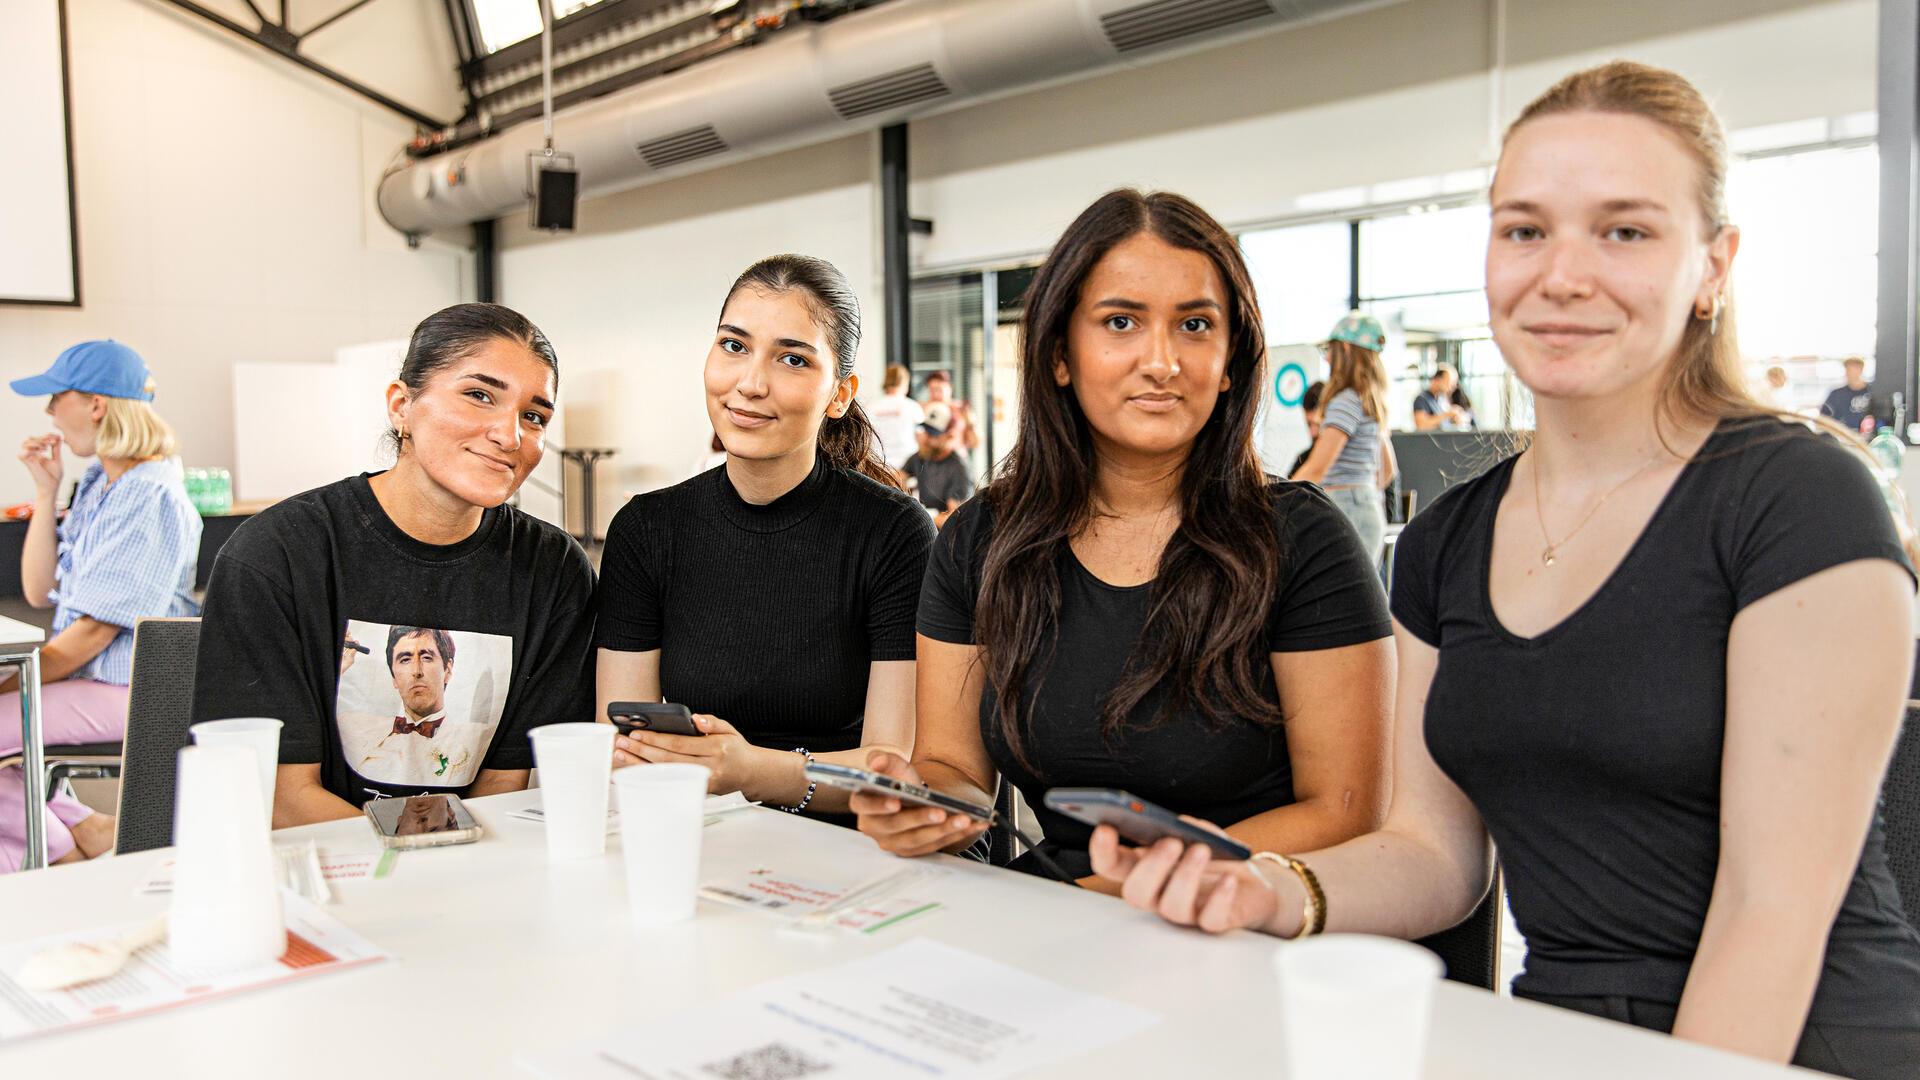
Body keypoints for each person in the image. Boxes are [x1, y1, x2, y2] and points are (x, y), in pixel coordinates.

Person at [1091, 62, 1920, 1078]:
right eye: (1525, 230)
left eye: (1624, 231)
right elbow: (1437, 857)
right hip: (1555, 1034)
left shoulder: (1797, 497)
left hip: (1794, 1042)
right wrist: (1271, 888)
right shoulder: (1448, 539)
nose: (1561, 274)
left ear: (1713, 264)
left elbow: (1772, 914)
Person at [849, 190, 1394, 886]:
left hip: (1242, 922)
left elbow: (1345, 811)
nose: (1162, 360)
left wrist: (1132, 886)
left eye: (1195, 324)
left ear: (1231, 360)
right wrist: (920, 809)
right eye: (1121, 321)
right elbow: (955, 772)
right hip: (1057, 921)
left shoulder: (1302, 541)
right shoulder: (982, 540)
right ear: (1059, 355)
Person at [192, 303, 597, 823]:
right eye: (479, 396)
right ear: (401, 405)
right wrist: (411, 876)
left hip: (471, 871)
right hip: (316, 873)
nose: (510, 435)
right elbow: (279, 797)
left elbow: (503, 785)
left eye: (534, 416)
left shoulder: (555, 571)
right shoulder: (276, 554)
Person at [595, 255, 934, 818]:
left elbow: (890, 766)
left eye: (793, 359)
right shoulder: (646, 530)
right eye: (733, 346)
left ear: (840, 394)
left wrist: (751, 770)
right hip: (700, 832)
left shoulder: (894, 534)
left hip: (847, 843)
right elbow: (621, 738)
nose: (750, 384)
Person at [0, 341, 199, 872]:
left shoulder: (148, 495)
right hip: (94, 682)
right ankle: (85, 830)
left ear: (94, 404)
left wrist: (9, 681)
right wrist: (46, 493)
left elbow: (91, 635)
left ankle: (58, 857)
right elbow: (40, 592)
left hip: (132, 687)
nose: (47, 411)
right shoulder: (102, 483)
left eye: (55, 397)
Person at [1292, 312, 1398, 558]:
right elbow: (1388, 469)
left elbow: (1317, 468)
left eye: (1332, 349)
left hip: (1346, 508)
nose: (1328, 358)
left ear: (1347, 350)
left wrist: (1273, 503)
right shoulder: (1369, 401)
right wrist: (1363, 491)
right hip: (1367, 509)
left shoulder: (1346, 401)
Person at [903, 402, 975, 527]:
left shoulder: (959, 468)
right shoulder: (921, 456)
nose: (926, 438)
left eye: (933, 434)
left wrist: (918, 518)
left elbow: (954, 519)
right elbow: (896, 476)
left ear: (949, 436)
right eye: (926, 431)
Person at [866, 364, 925, 472]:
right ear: (905, 383)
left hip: (878, 466)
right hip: (907, 468)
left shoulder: (870, 407)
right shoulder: (913, 407)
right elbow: (922, 437)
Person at [921, 370, 981, 461]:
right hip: (931, 466)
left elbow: (975, 443)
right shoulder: (923, 410)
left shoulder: (962, 409)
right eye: (932, 390)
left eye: (939, 389)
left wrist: (969, 423)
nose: (935, 394)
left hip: (957, 464)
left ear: (950, 388)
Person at [1821, 357, 1872, 434]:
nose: (1852, 373)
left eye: (1855, 368)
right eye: (1849, 369)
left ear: (1861, 369)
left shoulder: (1873, 392)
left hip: (1869, 437)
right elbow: (1823, 418)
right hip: (1844, 438)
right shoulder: (1836, 394)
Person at [1412, 365, 1471, 430]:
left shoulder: (1441, 399)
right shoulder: (1421, 399)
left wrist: (1455, 418)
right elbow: (1421, 425)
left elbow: (1443, 423)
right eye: (1449, 382)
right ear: (1437, 380)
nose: (1453, 387)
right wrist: (1447, 415)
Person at [1287, 380, 1325, 478]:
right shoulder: (1302, 459)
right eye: (1309, 425)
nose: (1312, 433)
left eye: (1317, 425)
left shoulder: (1343, 464)